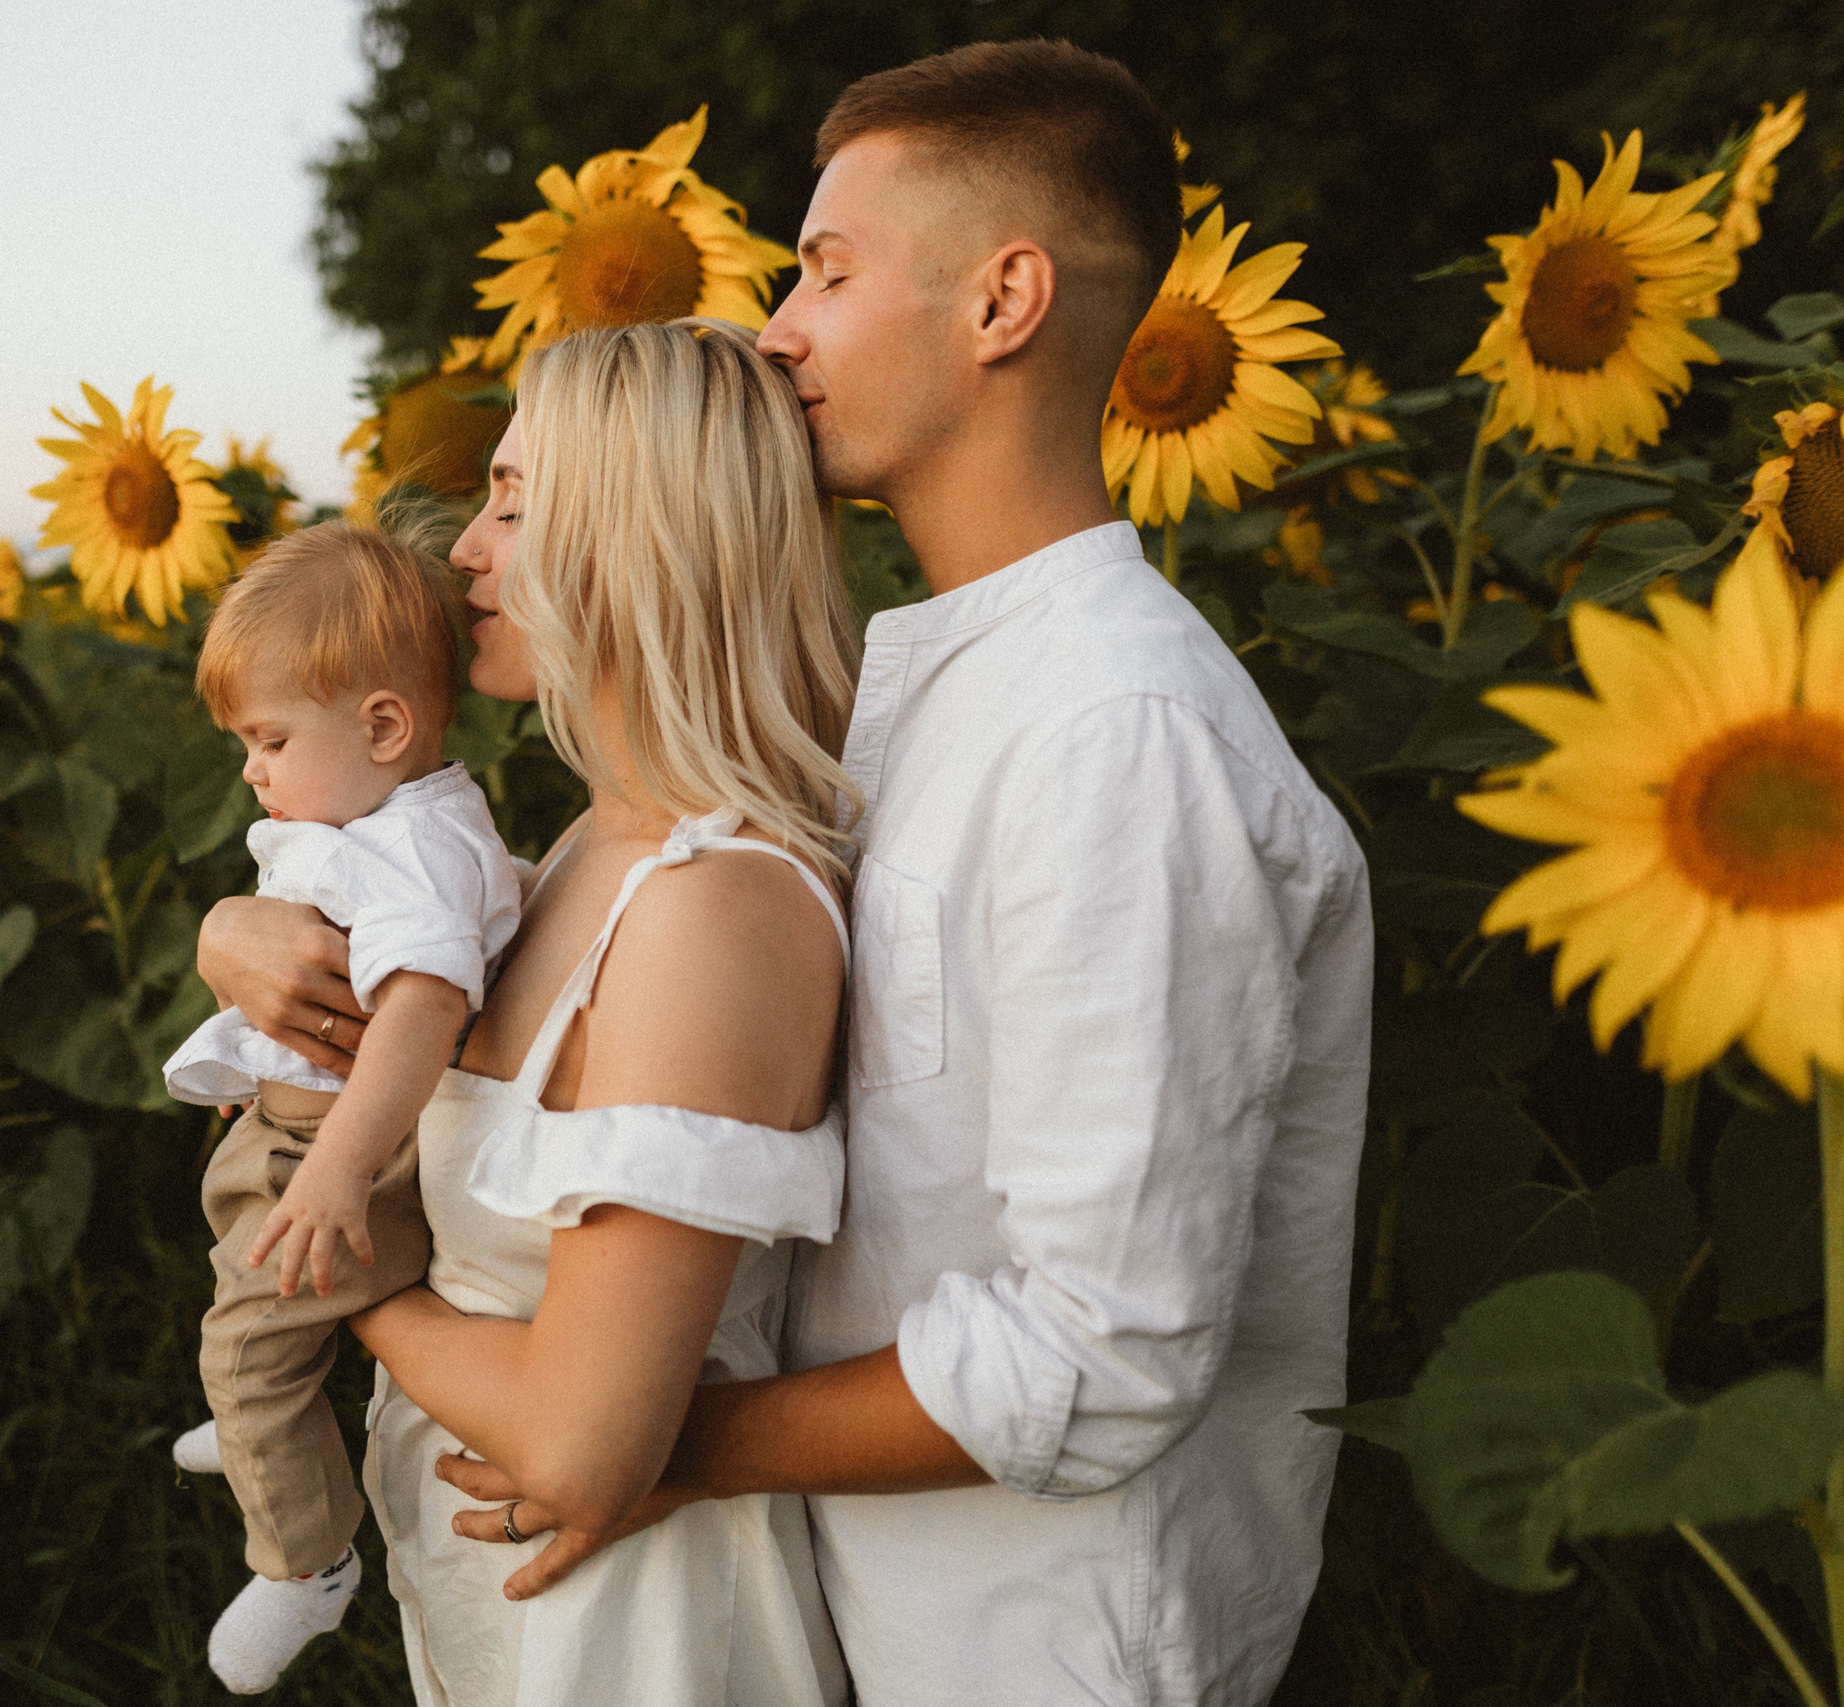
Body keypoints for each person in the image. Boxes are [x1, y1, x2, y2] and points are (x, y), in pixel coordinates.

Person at [423, 40, 1375, 1707]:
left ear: (1005, 301)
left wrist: (652, 1436)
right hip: (867, 1615)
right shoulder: (931, 689)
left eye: (831, 270)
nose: (782, 327)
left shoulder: (1116, 734)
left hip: (1041, 1646)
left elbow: (1103, 1350)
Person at [198, 318, 861, 1706]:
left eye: (513, 500)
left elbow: (577, 1446)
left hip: (641, 1639)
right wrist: (236, 932)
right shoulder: (576, 853)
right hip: (511, 1606)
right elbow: (388, 967)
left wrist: (326, 1290)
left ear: (645, 532)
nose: (465, 550)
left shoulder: (712, 906)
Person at [162, 521, 523, 1694]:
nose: (252, 770)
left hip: (345, 1150)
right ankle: (276, 1427)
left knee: (247, 1337)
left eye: (268, 740)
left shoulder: (412, 852)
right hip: (299, 1128)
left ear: (381, 724)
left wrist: (335, 1165)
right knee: (240, 1281)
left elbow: (421, 1013)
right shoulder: (377, 816)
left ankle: (303, 1558)